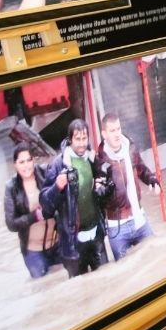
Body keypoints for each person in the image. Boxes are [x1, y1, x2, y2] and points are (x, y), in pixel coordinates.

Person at [40, 119, 106, 278]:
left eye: (85, 138)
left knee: (107, 279)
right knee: (81, 292)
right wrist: (57, 187)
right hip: (73, 243)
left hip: (96, 234)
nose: (82, 144)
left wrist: (102, 187)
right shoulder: (58, 164)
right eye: (78, 139)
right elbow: (45, 206)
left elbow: (103, 187)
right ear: (70, 140)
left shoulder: (92, 159)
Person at [95, 113, 160, 261]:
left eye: (118, 129)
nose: (117, 134)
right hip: (117, 229)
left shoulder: (130, 148)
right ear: (104, 134)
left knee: (156, 260)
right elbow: (99, 196)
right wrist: (100, 191)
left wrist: (152, 180)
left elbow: (141, 168)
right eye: (112, 131)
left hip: (140, 219)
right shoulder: (99, 160)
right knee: (126, 271)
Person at [3, 144, 58, 279]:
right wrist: (35, 216)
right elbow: (11, 224)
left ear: (33, 160)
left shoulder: (46, 173)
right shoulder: (11, 188)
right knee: (43, 287)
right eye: (21, 162)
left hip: (57, 245)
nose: (26, 165)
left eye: (29, 160)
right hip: (33, 251)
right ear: (15, 165)